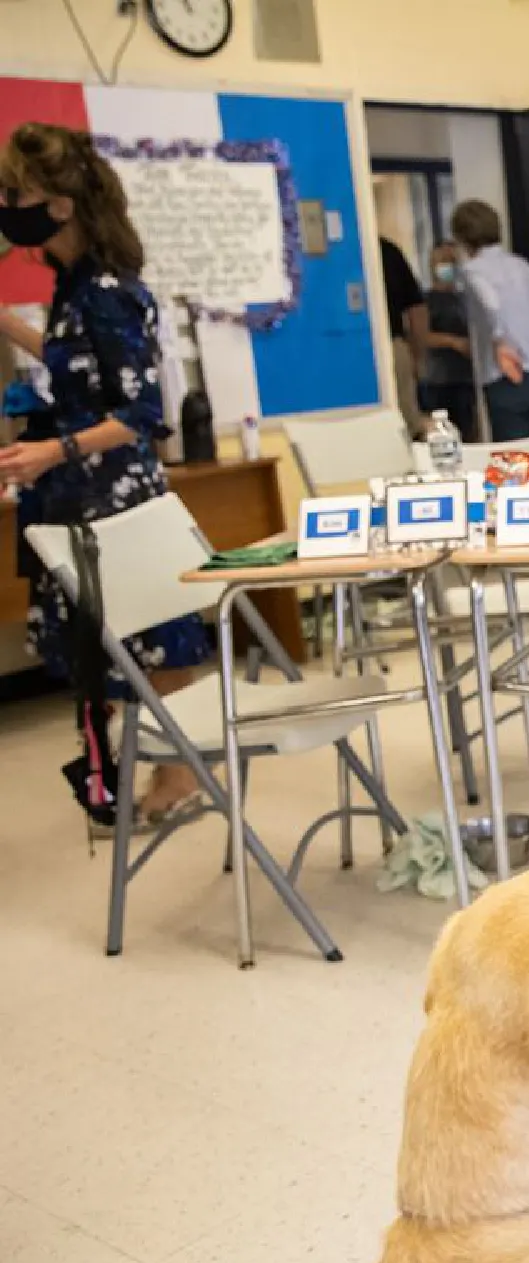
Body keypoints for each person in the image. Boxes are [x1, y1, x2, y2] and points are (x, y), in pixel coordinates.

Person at [0, 122, 211, 821]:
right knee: (114, 650)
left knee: (157, 640)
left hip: (116, 498)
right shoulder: (73, 286)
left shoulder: (112, 291)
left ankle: (182, 772)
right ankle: (153, 766)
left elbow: (141, 411)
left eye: (16, 192)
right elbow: (72, 371)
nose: (7, 204)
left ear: (60, 204)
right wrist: (9, 323)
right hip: (79, 496)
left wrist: (51, 452)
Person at [449, 200, 529, 442]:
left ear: (462, 238)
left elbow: (489, 303)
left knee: (513, 462)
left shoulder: (473, 271)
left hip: (506, 372)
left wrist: (499, 339)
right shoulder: (526, 268)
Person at [417, 242, 482, 441]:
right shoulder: (426, 301)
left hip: (465, 379)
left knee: (468, 433)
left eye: (453, 261)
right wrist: (454, 343)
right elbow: (422, 336)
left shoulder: (465, 298)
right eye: (443, 261)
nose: (449, 266)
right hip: (438, 380)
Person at [379, 235, 429, 437]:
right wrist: (418, 356)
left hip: (365, 346)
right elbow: (416, 309)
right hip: (393, 345)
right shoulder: (387, 250)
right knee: (408, 425)